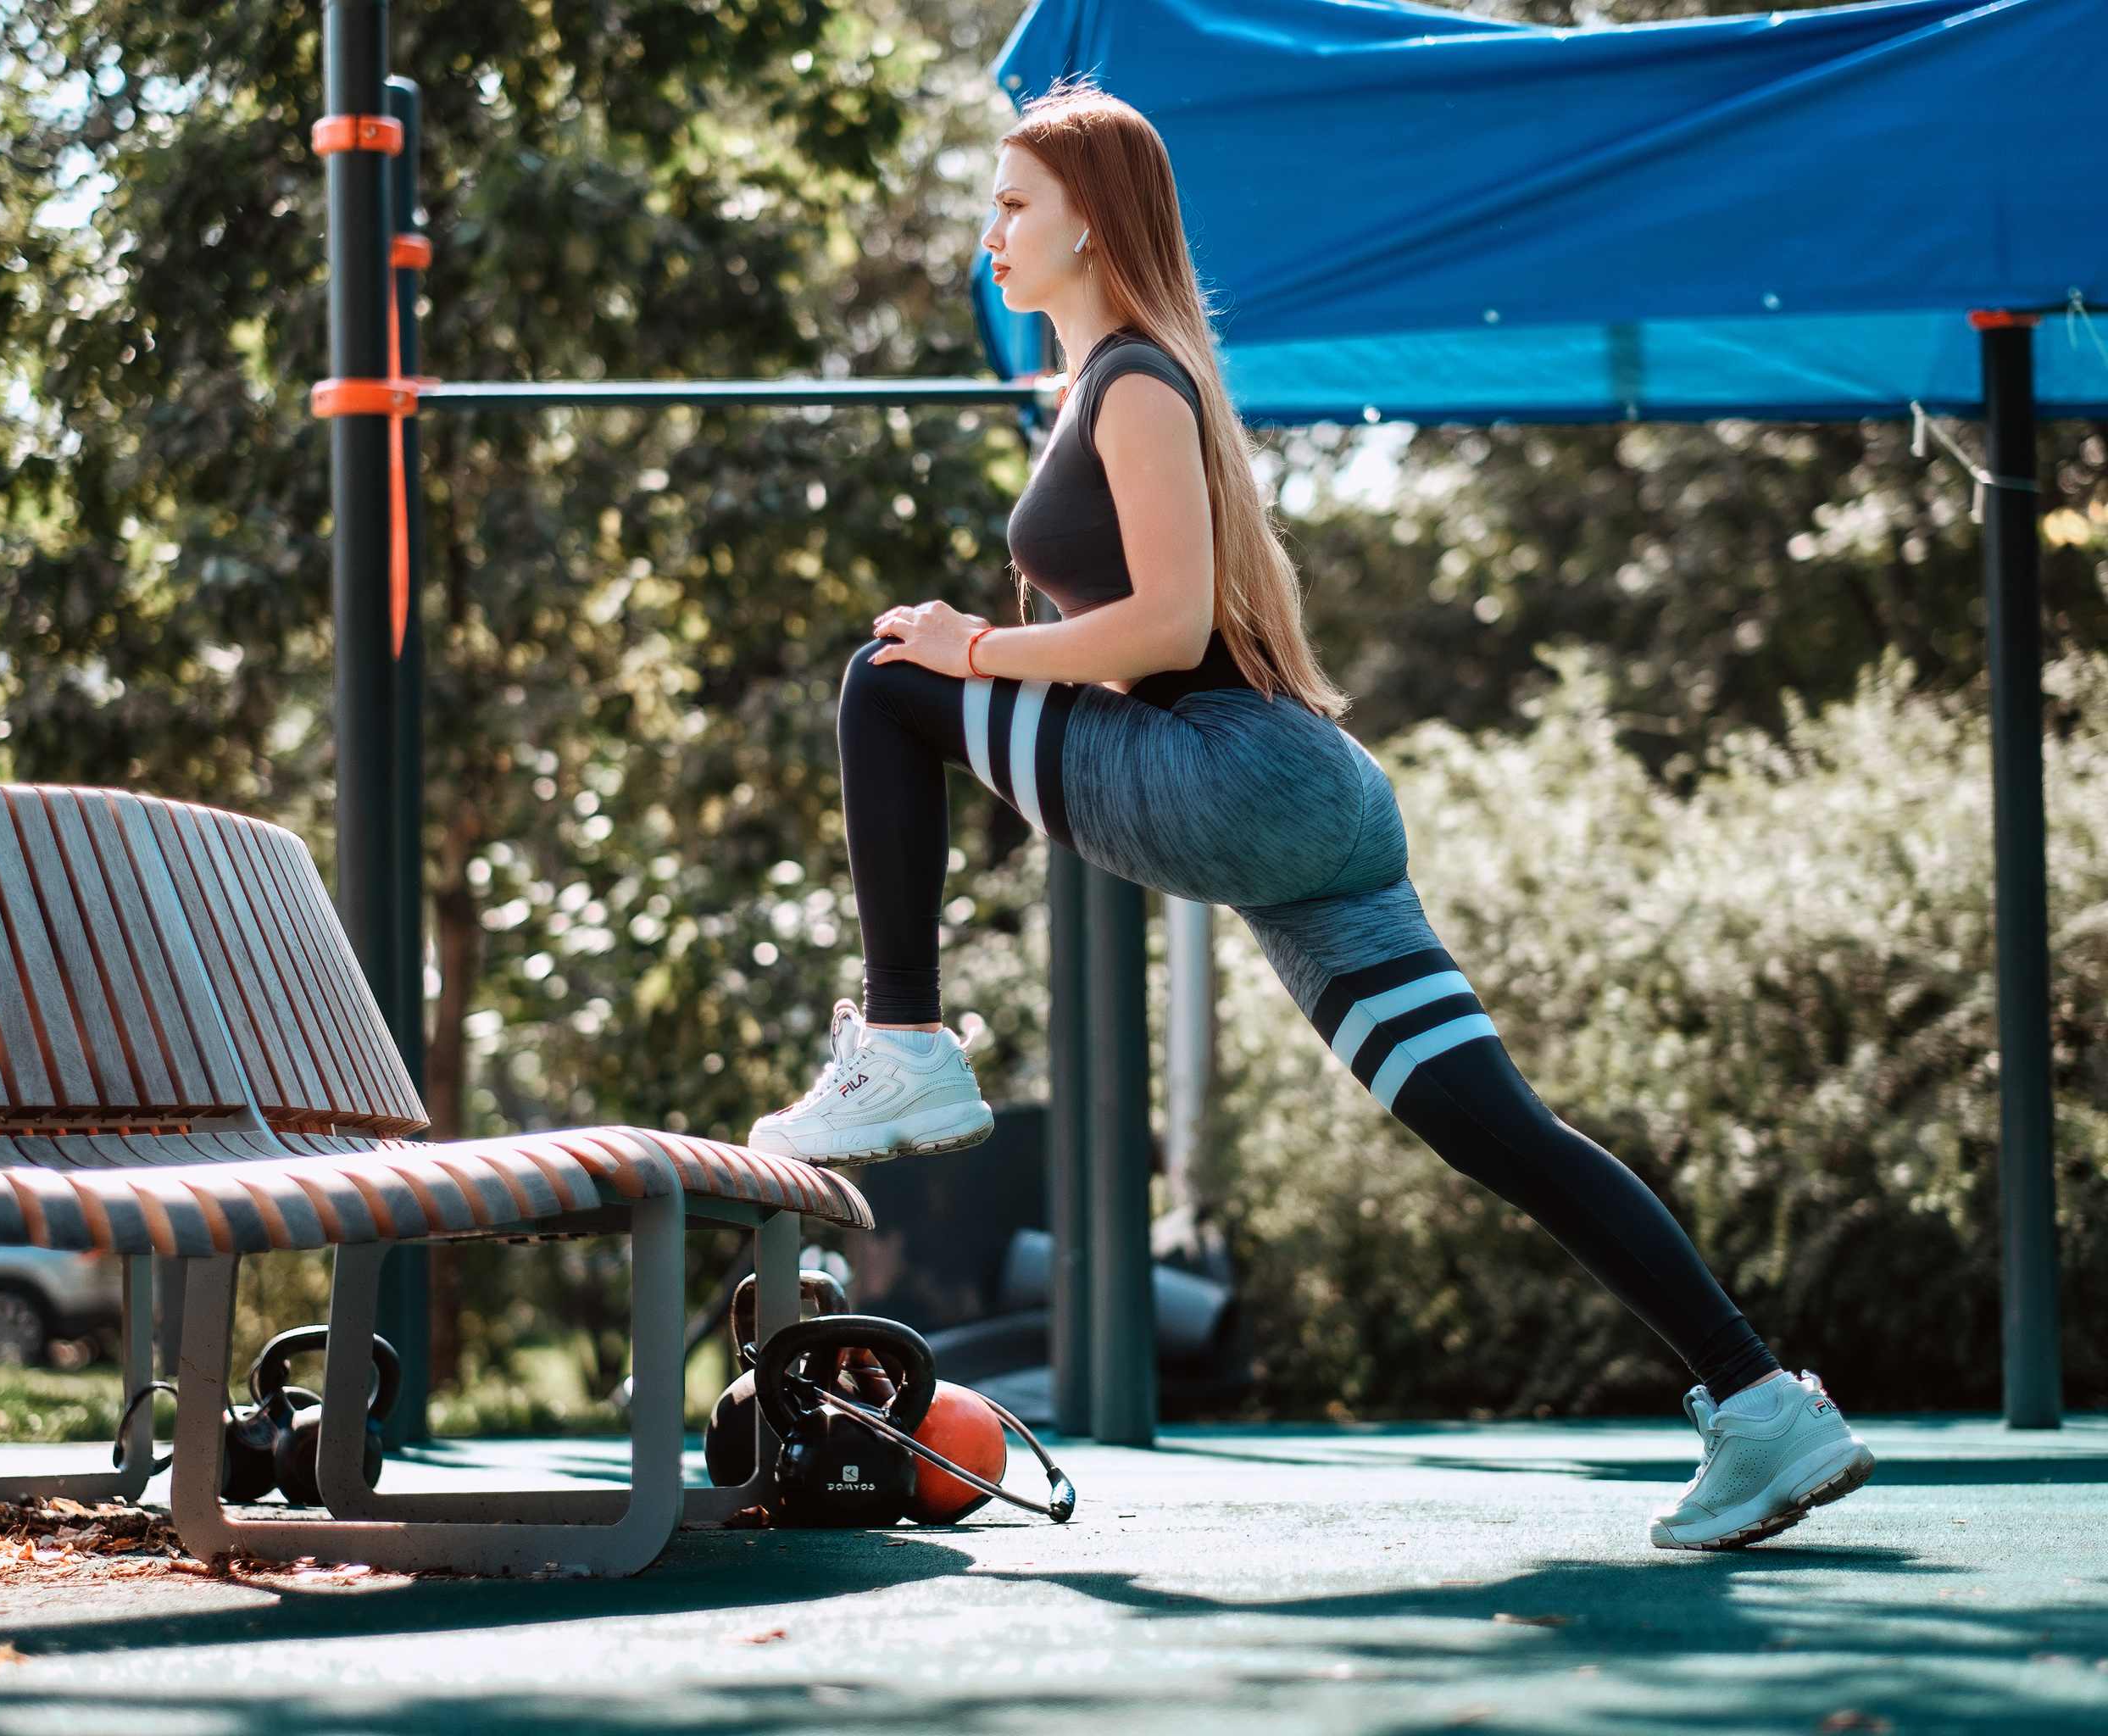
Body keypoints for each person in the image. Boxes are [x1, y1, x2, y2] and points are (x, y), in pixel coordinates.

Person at [746, 83, 1874, 1552]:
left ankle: (905, 1041)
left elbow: (1165, 627)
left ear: (1092, 222)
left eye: (1015, 205)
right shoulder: (1108, 386)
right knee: (1502, 1130)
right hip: (1307, 807)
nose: (991, 232)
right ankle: (1762, 1400)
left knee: (890, 681)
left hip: (1240, 775)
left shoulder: (1137, 383)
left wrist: (978, 648)